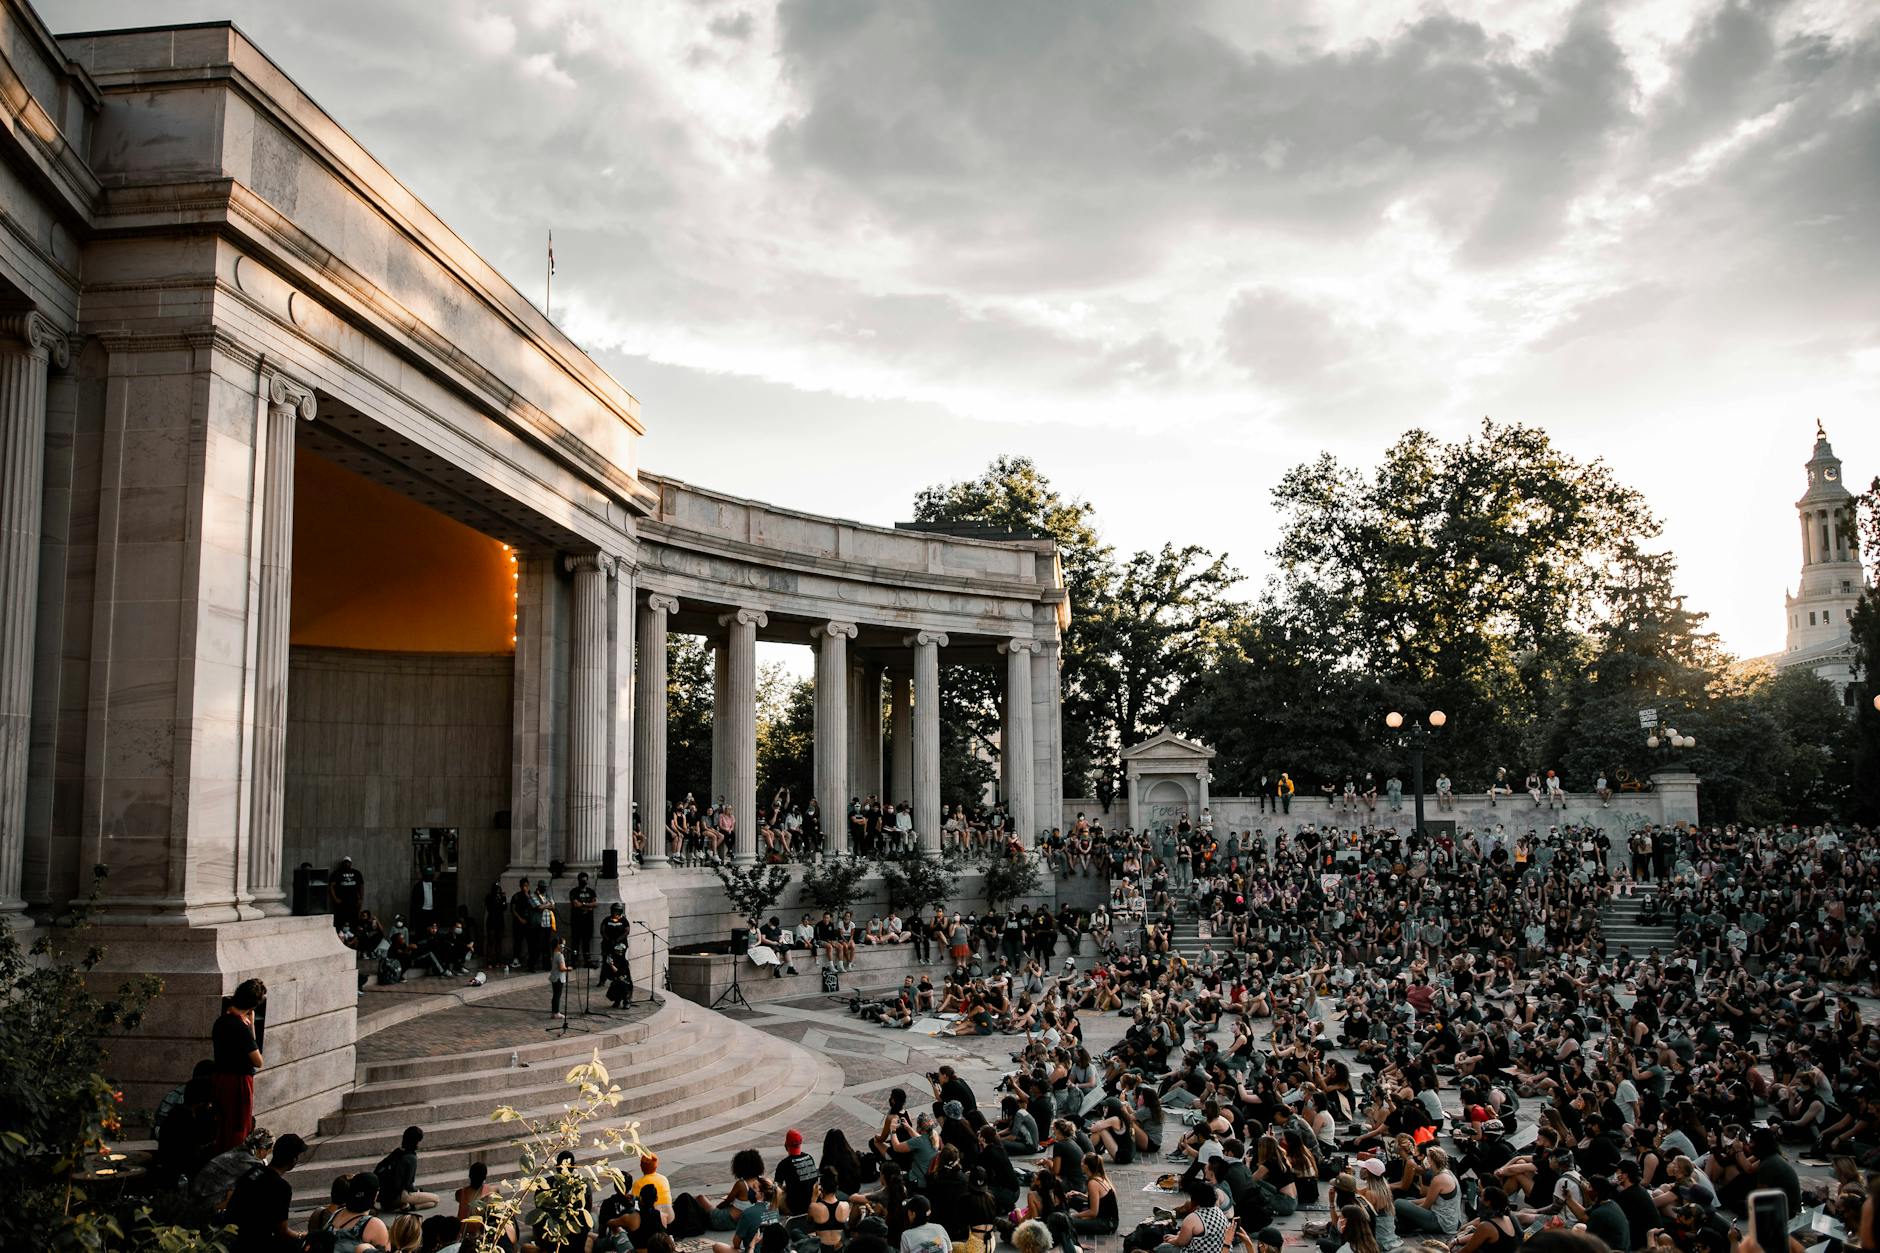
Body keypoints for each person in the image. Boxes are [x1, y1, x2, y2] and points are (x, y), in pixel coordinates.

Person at [225, 1132, 307, 1253]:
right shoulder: (281, 1187)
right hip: (256, 1244)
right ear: (294, 1160)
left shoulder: (254, 1172)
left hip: (233, 1237)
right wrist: (301, 1236)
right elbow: (283, 1232)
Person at [211, 979, 267, 1152]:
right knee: (238, 1127)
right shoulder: (240, 1028)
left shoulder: (221, 1021)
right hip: (239, 1082)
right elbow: (258, 1061)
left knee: (223, 1126)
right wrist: (252, 1030)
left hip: (220, 1078)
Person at [376, 1125, 441, 1212]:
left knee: (426, 1198)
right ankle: (408, 1207)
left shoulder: (397, 1151)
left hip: (384, 1200)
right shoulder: (410, 1158)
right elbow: (408, 1185)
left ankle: (405, 1205)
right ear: (417, 1142)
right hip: (398, 1197)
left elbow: (379, 1168)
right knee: (436, 1200)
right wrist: (417, 1191)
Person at [776, 1128, 819, 1215]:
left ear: (786, 1145)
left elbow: (777, 1188)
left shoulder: (784, 1164)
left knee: (778, 1194)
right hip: (813, 1202)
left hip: (795, 1208)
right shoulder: (809, 1157)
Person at [329, 857, 365, 932]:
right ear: (343, 863)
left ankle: (353, 936)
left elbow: (361, 886)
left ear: (351, 863)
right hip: (342, 901)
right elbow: (331, 886)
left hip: (353, 901)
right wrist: (335, 898)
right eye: (345, 862)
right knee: (341, 919)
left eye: (348, 862)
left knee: (354, 919)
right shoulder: (337, 873)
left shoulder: (356, 873)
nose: (347, 864)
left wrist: (361, 899)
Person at [570, 873, 599, 966]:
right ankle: (574, 961)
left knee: (586, 941)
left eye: (585, 880)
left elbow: (595, 904)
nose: (584, 882)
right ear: (579, 880)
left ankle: (588, 961)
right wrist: (588, 905)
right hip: (576, 920)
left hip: (588, 921)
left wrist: (582, 905)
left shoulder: (591, 891)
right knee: (575, 941)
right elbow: (575, 904)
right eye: (582, 880)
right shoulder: (574, 891)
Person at [549, 936, 571, 1020]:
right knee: (557, 995)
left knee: (555, 995)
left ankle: (553, 1012)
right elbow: (562, 968)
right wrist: (569, 969)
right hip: (559, 978)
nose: (564, 946)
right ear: (558, 945)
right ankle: (556, 1012)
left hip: (554, 977)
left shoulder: (555, 953)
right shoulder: (559, 955)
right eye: (563, 944)